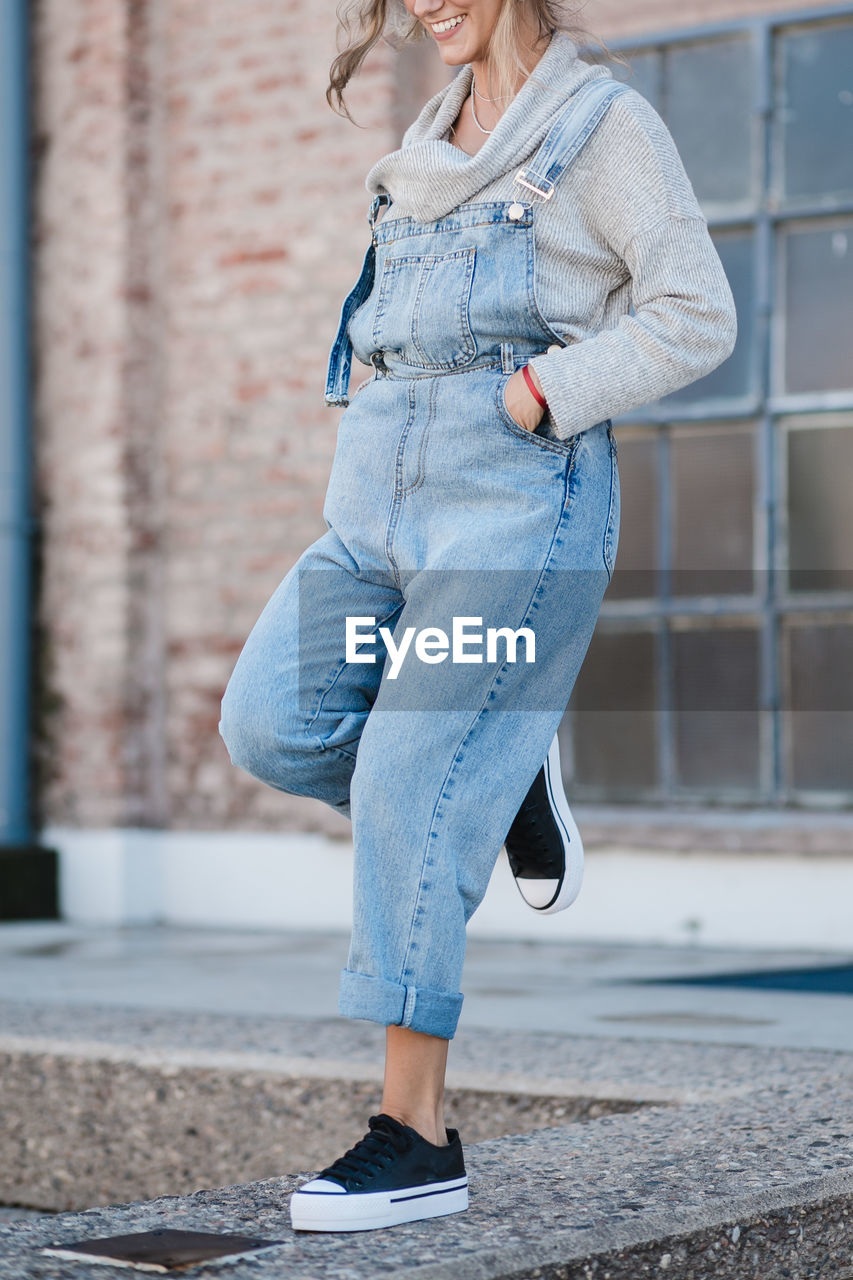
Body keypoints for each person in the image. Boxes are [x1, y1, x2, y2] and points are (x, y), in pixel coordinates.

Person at [218, 0, 737, 1234]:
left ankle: (417, 1133)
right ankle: (497, 782)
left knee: (406, 774)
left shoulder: (602, 127)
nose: (419, 8)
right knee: (271, 722)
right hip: (373, 509)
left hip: (512, 511)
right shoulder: (428, 137)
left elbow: (693, 310)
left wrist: (541, 389)